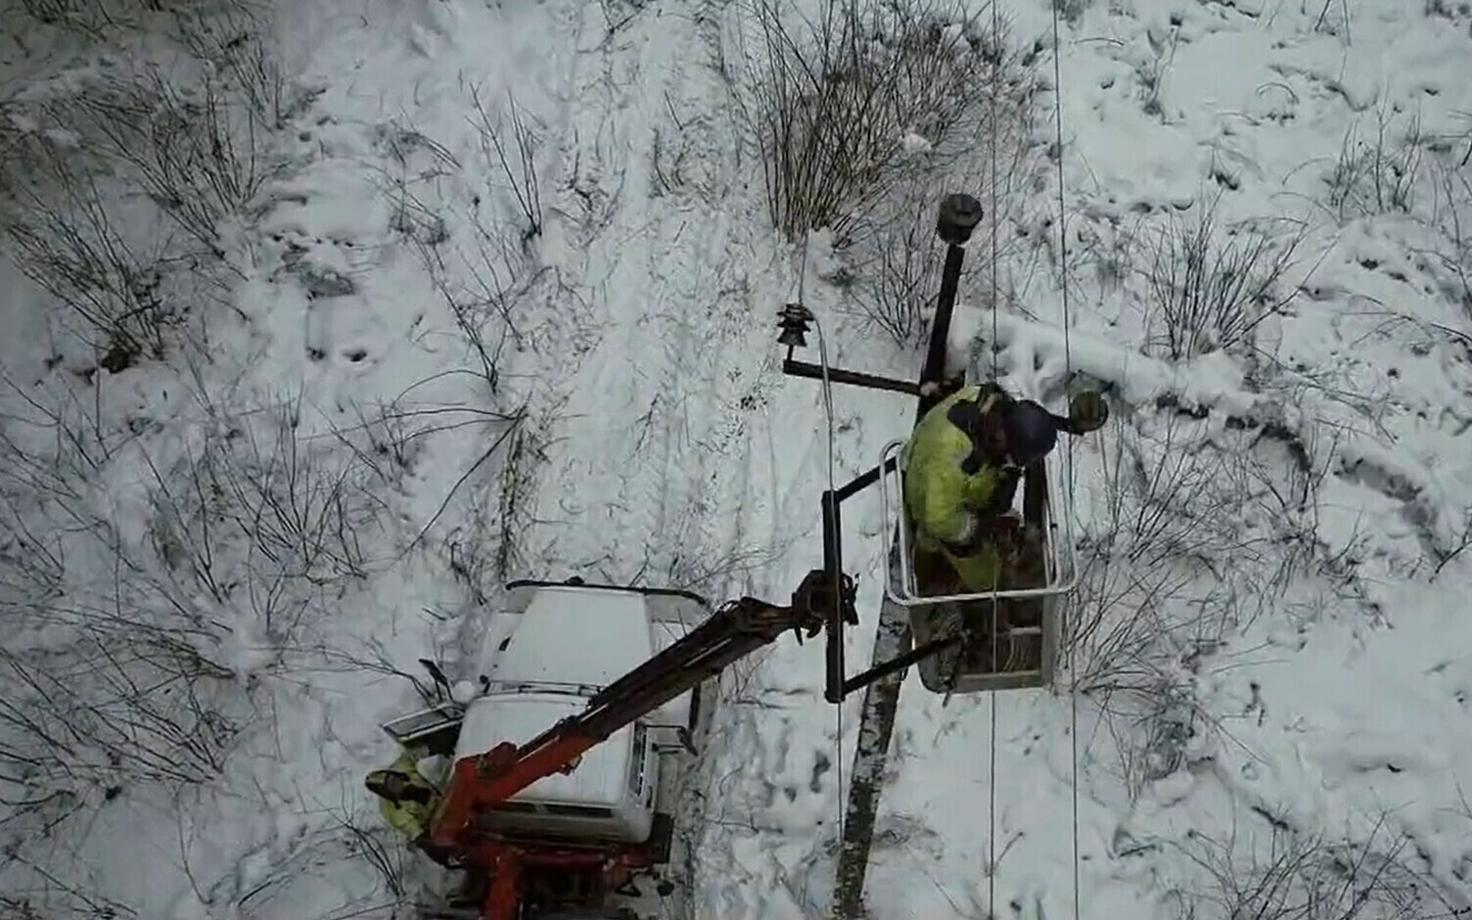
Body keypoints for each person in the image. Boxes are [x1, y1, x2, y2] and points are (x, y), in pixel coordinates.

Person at [904, 380, 1108, 594]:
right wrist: (978, 528)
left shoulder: (989, 405)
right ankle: (955, 585)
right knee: (987, 577)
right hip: (933, 504)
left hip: (952, 485)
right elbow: (939, 520)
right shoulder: (950, 459)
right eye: (1010, 458)